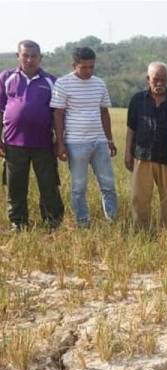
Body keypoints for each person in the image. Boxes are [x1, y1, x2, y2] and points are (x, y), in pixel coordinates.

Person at [0, 40, 64, 230]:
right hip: (13, 143)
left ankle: (53, 221)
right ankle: (18, 222)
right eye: (25, 55)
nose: (29, 59)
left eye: (33, 56)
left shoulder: (52, 81)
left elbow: (58, 115)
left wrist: (59, 142)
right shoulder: (6, 78)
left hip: (43, 144)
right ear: (18, 56)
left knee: (48, 185)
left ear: (40, 58)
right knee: (15, 186)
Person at [51, 46, 118, 227]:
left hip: (99, 142)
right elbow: (58, 114)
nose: (89, 71)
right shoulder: (62, 84)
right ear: (74, 65)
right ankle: (83, 223)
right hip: (75, 143)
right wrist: (61, 144)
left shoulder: (99, 83)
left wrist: (110, 139)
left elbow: (104, 112)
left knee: (108, 185)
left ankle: (112, 221)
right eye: (84, 67)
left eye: (92, 67)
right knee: (79, 187)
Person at [125, 62, 167, 228]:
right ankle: (141, 231)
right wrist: (128, 153)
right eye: (156, 79)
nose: (160, 83)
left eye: (163, 80)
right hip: (142, 156)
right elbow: (131, 129)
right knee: (140, 197)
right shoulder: (137, 100)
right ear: (148, 79)